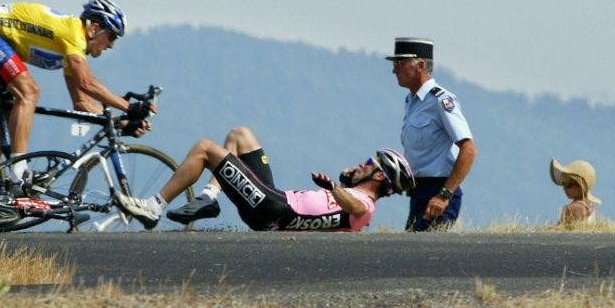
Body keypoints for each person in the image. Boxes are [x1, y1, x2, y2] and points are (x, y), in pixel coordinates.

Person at [0, 0, 154, 178]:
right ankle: (20, 170)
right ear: (94, 28)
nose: (112, 45)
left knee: (4, 118)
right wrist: (129, 107)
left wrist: (121, 123)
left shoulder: (72, 50)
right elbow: (87, 82)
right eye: (112, 36)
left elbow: (82, 103)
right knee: (29, 92)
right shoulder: (73, 33)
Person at [112, 125, 416, 231]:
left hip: (272, 210)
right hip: (274, 199)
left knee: (206, 149)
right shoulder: (358, 193)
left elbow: (357, 208)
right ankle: (209, 197)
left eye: (367, 163)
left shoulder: (366, 206)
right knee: (240, 135)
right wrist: (344, 182)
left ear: (378, 175)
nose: (359, 164)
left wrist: (337, 189)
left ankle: (154, 206)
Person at [385, 38, 477, 231]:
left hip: (438, 189)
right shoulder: (412, 101)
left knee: (428, 255)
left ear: (420, 66)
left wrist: (444, 195)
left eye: (399, 64)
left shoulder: (440, 100)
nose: (394, 71)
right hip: (418, 190)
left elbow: (468, 149)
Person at [549, 158, 601, 225]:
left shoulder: (571, 208)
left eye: (568, 185)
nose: (564, 189)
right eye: (563, 184)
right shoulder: (591, 208)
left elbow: (563, 229)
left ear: (580, 185)